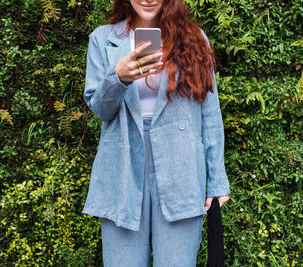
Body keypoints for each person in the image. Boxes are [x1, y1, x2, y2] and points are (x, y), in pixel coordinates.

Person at [82, 0, 231, 265]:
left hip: (182, 169)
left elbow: (209, 113)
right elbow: (101, 110)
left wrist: (217, 180)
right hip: (122, 168)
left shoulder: (194, 39)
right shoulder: (102, 39)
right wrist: (119, 77)